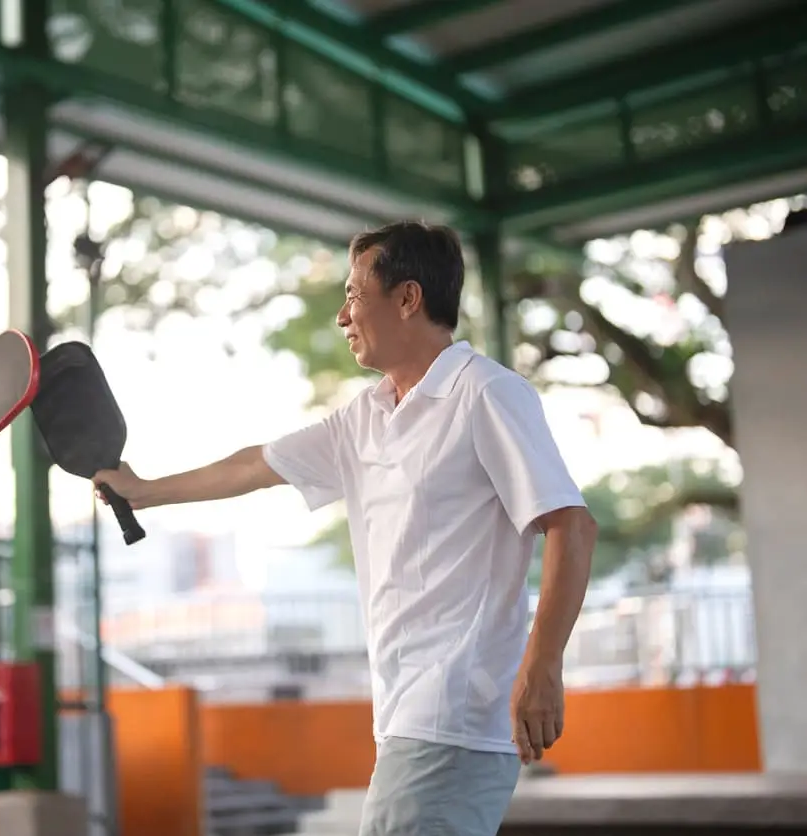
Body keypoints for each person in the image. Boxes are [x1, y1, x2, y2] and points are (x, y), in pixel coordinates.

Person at [93, 222, 597, 836]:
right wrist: (144, 492)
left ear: (408, 299)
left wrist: (543, 667)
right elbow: (257, 463)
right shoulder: (367, 415)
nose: (342, 315)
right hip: (406, 717)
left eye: (356, 294)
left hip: (454, 712)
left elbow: (571, 524)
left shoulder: (486, 393)